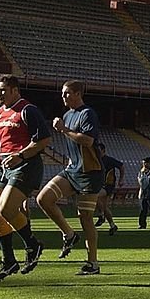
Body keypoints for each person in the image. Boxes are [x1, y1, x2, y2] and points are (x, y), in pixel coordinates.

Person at [0, 74, 51, 282]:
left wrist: (20, 156)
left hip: (26, 165)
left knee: (7, 209)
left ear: (15, 90)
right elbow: (3, 144)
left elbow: (44, 140)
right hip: (5, 166)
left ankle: (32, 244)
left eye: (3, 90)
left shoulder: (27, 110)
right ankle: (9, 261)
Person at [36, 80, 104, 275]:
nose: (63, 97)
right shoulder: (67, 115)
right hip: (72, 170)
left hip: (90, 173)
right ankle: (69, 233)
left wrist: (64, 129)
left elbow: (88, 140)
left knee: (85, 217)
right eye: (62, 93)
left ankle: (92, 263)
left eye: (66, 93)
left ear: (77, 94)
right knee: (44, 199)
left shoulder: (86, 114)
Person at [95, 143, 123, 235]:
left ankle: (101, 215)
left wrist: (121, 179)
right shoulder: (96, 160)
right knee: (105, 207)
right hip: (99, 184)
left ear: (103, 150)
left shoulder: (109, 160)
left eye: (99, 150)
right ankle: (112, 226)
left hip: (108, 185)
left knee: (94, 195)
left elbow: (121, 166)